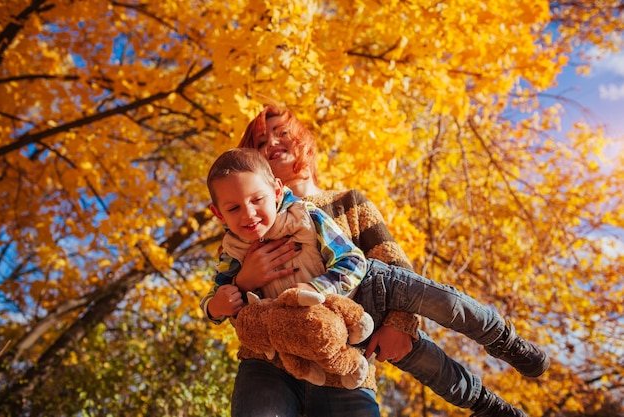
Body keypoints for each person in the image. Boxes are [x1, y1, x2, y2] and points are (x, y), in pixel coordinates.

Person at [230, 104, 551, 417]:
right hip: (273, 361)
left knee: (419, 348)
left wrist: (399, 324)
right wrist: (243, 281)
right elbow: (243, 317)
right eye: (260, 143)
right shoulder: (249, 224)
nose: (271, 143)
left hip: (350, 356)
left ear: (303, 140)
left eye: (281, 132)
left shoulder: (348, 202)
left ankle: (488, 395)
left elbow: (394, 268)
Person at [202, 147, 381, 417]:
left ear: (276, 191)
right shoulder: (232, 250)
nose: (248, 214)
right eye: (233, 208)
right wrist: (225, 298)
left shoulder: (307, 218)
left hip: (333, 348)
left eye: (256, 199)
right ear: (218, 214)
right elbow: (219, 299)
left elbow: (354, 262)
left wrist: (314, 290)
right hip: (269, 365)